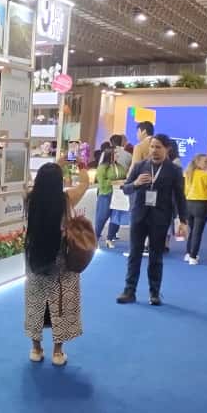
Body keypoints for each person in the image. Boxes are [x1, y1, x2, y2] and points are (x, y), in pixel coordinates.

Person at [24, 158, 90, 366]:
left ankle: (36, 349)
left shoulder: (29, 199)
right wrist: (79, 165)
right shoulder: (67, 199)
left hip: (35, 259)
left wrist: (56, 164)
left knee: (35, 303)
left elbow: (32, 181)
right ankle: (58, 352)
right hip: (60, 260)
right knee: (60, 304)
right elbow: (85, 183)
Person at [117, 134, 188, 306]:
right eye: (152, 147)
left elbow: (180, 197)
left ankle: (154, 293)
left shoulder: (174, 170)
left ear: (167, 149)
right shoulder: (140, 166)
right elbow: (125, 189)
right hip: (139, 216)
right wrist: (136, 183)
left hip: (161, 218)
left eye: (158, 147)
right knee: (134, 254)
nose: (154, 150)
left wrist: (183, 221)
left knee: (156, 257)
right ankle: (129, 291)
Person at [182, 153, 207, 265]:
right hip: (201, 204)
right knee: (197, 232)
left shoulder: (187, 173)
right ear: (197, 162)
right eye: (205, 161)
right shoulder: (205, 174)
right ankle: (193, 256)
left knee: (192, 230)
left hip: (189, 203)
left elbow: (185, 191)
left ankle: (188, 253)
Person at [93, 147, 124, 246]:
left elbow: (125, 178)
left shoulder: (120, 166)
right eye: (115, 152)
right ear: (109, 154)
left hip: (118, 195)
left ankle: (109, 239)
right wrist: (115, 182)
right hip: (106, 195)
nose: (118, 154)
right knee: (101, 218)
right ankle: (95, 239)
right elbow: (102, 183)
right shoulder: (102, 167)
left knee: (116, 218)